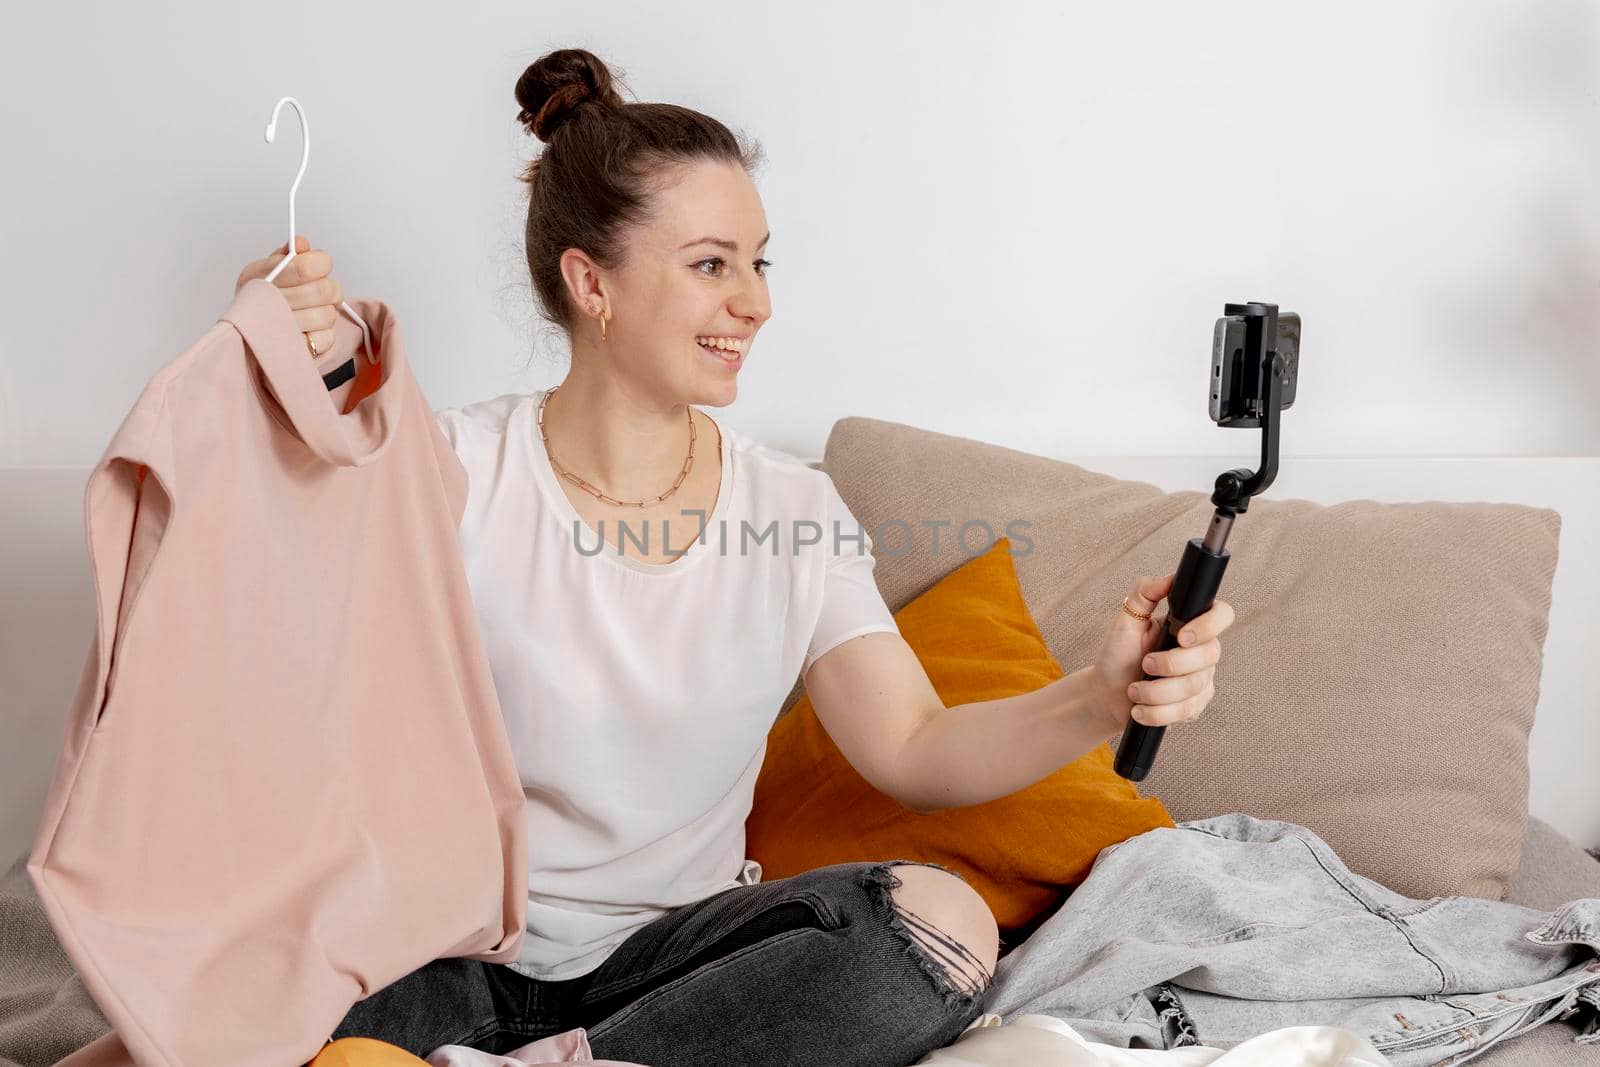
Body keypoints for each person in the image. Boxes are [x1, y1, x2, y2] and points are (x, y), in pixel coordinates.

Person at [233, 46, 1235, 1067]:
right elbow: (269, 579)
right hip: (443, 962)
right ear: (592, 283)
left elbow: (914, 748)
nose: (755, 302)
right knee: (217, 1011)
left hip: (681, 968)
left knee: (941, 924)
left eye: (759, 262)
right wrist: (281, 372)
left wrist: (1102, 697)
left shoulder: (791, 508)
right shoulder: (447, 469)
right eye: (712, 263)